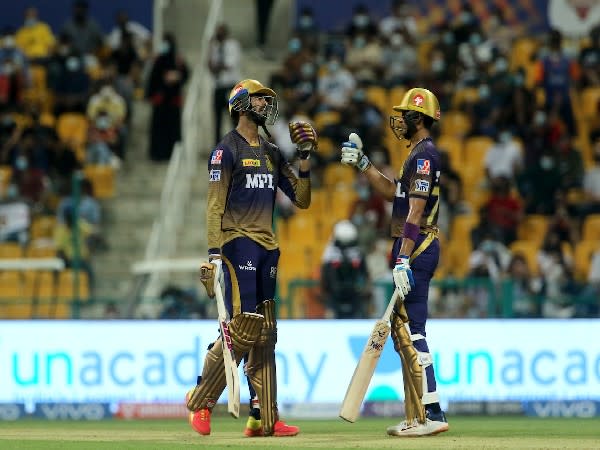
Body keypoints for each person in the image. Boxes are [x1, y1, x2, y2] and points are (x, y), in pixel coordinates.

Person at [185, 79, 317, 437]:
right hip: (236, 243)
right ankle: (201, 401)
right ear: (241, 104)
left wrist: (304, 158)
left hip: (267, 246)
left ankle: (264, 417)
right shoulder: (225, 150)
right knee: (243, 325)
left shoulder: (273, 152)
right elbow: (214, 205)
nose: (266, 106)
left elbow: (302, 199)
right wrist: (213, 254)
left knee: (266, 333)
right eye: (260, 100)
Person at [341, 87, 449, 436]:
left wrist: (403, 259)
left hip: (415, 247)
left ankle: (431, 414)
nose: (399, 121)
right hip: (413, 246)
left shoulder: (424, 156)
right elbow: (394, 193)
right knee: (406, 334)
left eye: (405, 115)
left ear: (418, 118)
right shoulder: (418, 154)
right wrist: (364, 165)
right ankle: (419, 414)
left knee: (414, 332)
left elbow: (415, 211)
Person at [145, 32, 188, 161]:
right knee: (159, 129)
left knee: (173, 129)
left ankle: (173, 155)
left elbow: (185, 74)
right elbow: (152, 78)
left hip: (173, 101)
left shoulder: (178, 60)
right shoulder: (158, 60)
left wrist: (177, 76)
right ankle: (158, 155)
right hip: (160, 100)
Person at [208, 24, 241, 145]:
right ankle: (217, 145)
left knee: (233, 118)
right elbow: (210, 66)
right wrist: (210, 48)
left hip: (230, 86)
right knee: (217, 119)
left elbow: (229, 65)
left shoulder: (233, 45)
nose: (219, 36)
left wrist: (217, 66)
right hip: (218, 86)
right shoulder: (215, 47)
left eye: (220, 33)